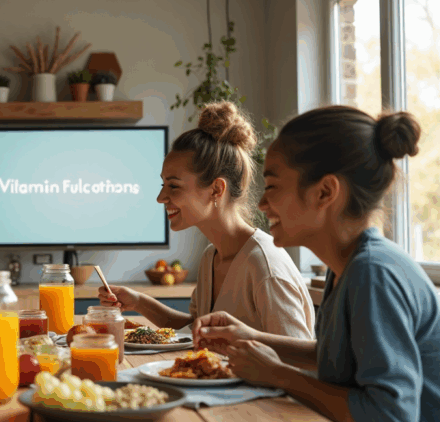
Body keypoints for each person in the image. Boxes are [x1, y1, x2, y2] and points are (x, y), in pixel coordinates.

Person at [193, 106, 440, 421]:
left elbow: (390, 414)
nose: (262, 203)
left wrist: (278, 374)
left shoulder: (373, 274)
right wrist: (249, 337)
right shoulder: (347, 266)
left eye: (273, 186)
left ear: (325, 192)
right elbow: (336, 358)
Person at [99, 101, 315, 339]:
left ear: (216, 190)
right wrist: (139, 302)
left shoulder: (265, 266)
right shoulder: (210, 257)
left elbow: (298, 358)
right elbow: (197, 328)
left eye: (173, 186)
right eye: (163, 184)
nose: (161, 197)